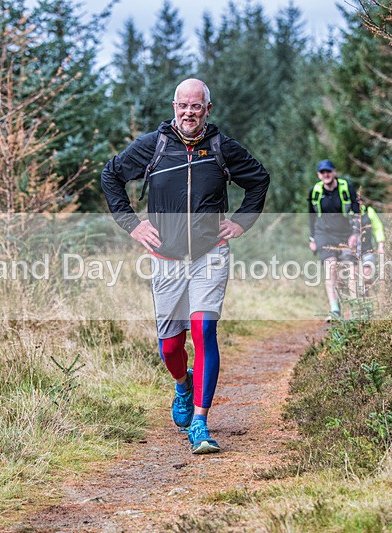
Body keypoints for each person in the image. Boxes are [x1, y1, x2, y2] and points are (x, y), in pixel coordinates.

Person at [101, 78, 270, 454]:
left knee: (203, 331)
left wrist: (242, 221)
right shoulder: (153, 147)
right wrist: (133, 223)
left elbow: (259, 180)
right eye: (183, 105)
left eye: (196, 106)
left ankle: (200, 421)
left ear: (207, 109)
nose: (189, 112)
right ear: (173, 106)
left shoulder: (221, 148)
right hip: (166, 259)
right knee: (170, 346)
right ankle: (182, 384)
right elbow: (110, 176)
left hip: (210, 256)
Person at [308, 159, 360, 321]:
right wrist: (312, 238)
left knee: (352, 269)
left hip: (345, 234)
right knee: (331, 268)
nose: (326, 175)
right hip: (323, 234)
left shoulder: (346, 188)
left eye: (328, 171)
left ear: (334, 172)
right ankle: (335, 309)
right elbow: (310, 216)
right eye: (322, 172)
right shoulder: (315, 191)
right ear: (319, 175)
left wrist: (355, 234)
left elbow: (357, 210)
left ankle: (355, 309)